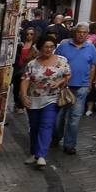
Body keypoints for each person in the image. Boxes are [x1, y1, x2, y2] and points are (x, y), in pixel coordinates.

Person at [19, 38, 71, 168]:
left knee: (46, 125)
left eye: (51, 46)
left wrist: (58, 83)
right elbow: (25, 80)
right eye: (46, 46)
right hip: (34, 99)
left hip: (52, 98)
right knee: (34, 127)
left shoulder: (61, 60)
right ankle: (34, 153)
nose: (49, 49)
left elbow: (68, 75)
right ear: (40, 48)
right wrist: (24, 96)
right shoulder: (32, 64)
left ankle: (41, 155)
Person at [54, 23, 96, 155]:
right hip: (63, 86)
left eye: (85, 32)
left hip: (81, 87)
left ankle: (69, 144)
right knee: (59, 116)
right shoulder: (64, 46)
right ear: (74, 32)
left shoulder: (90, 47)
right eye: (79, 32)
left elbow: (92, 67)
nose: (82, 35)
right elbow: (55, 62)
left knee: (75, 118)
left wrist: (89, 83)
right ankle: (56, 137)